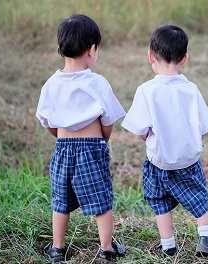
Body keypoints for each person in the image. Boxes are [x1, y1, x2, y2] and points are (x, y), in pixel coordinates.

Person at [121, 24, 208, 257]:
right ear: (184, 59)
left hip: (158, 160)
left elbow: (140, 129)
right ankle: (205, 236)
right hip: (188, 159)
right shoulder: (191, 89)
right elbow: (203, 125)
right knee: (198, 195)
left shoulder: (147, 90)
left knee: (159, 200)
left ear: (150, 56)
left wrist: (148, 137)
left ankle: (168, 244)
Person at [35, 14, 127, 263]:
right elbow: (107, 121)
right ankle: (106, 248)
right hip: (92, 148)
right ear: (91, 50)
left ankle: (57, 248)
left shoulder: (51, 84)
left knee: (60, 200)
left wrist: (61, 136)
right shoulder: (97, 83)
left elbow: (46, 121)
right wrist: (101, 140)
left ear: (59, 49)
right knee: (101, 199)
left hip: (62, 148)